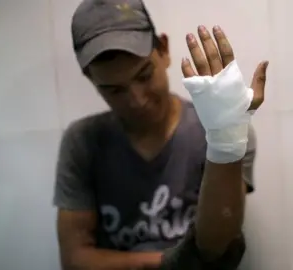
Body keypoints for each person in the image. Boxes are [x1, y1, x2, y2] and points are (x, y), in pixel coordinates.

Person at [53, 0, 268, 269]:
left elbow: (219, 245)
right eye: (114, 90)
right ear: (90, 78)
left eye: (144, 75)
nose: (138, 100)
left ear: (164, 50)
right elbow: (75, 261)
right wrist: (172, 263)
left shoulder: (218, 130)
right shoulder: (82, 142)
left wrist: (226, 137)